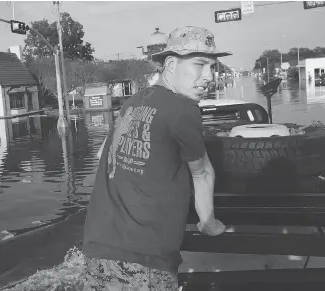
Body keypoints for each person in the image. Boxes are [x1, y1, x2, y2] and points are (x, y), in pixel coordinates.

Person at [83, 26, 229, 290]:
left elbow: (103, 153)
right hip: (144, 261)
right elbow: (203, 172)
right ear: (171, 64)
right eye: (199, 65)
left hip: (98, 249)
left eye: (212, 67)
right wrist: (209, 224)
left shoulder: (133, 102)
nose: (208, 76)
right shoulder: (183, 108)